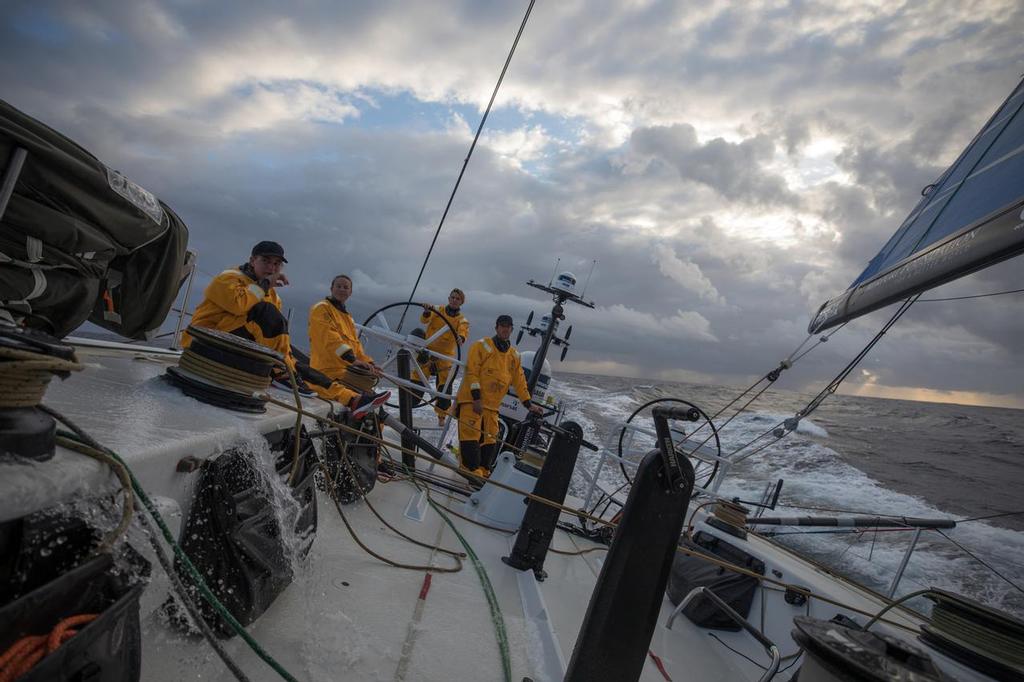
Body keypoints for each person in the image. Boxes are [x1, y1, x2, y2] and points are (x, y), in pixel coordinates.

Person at [182, 240, 312, 394]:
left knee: (298, 359)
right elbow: (238, 305)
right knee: (266, 311)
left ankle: (285, 371)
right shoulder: (229, 278)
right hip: (204, 342)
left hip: (233, 346)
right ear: (252, 261)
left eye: (277, 264)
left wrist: (292, 368)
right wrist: (263, 285)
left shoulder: (272, 295)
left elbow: (273, 335)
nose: (271, 268)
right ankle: (279, 373)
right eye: (265, 261)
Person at [455, 314, 542, 476]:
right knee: (470, 438)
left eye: (508, 326)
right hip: (472, 402)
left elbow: (520, 382)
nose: (505, 329)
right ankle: (471, 473)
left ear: (511, 330)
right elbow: (471, 372)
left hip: (492, 408)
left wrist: (530, 405)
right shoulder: (481, 346)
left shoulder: (514, 356)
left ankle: (483, 473)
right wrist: (476, 398)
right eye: (502, 325)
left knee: (490, 442)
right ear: (496, 328)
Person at [308, 274, 388, 415]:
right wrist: (352, 360)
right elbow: (330, 339)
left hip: (345, 371)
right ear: (331, 288)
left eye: (346, 287)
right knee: (369, 404)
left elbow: (356, 346)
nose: (342, 289)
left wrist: (370, 363)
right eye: (338, 286)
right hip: (327, 371)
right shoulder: (321, 309)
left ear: (350, 292)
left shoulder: (348, 317)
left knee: (375, 407)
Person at [417, 288, 469, 425]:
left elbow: (463, 332)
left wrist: (461, 338)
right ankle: (410, 402)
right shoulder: (437, 310)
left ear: (461, 302)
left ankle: (442, 416)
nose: (454, 300)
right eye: (452, 297)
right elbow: (423, 320)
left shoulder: (462, 320)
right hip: (428, 350)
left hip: (445, 356)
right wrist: (427, 311)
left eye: (457, 299)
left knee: (445, 385)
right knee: (417, 376)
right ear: (448, 298)